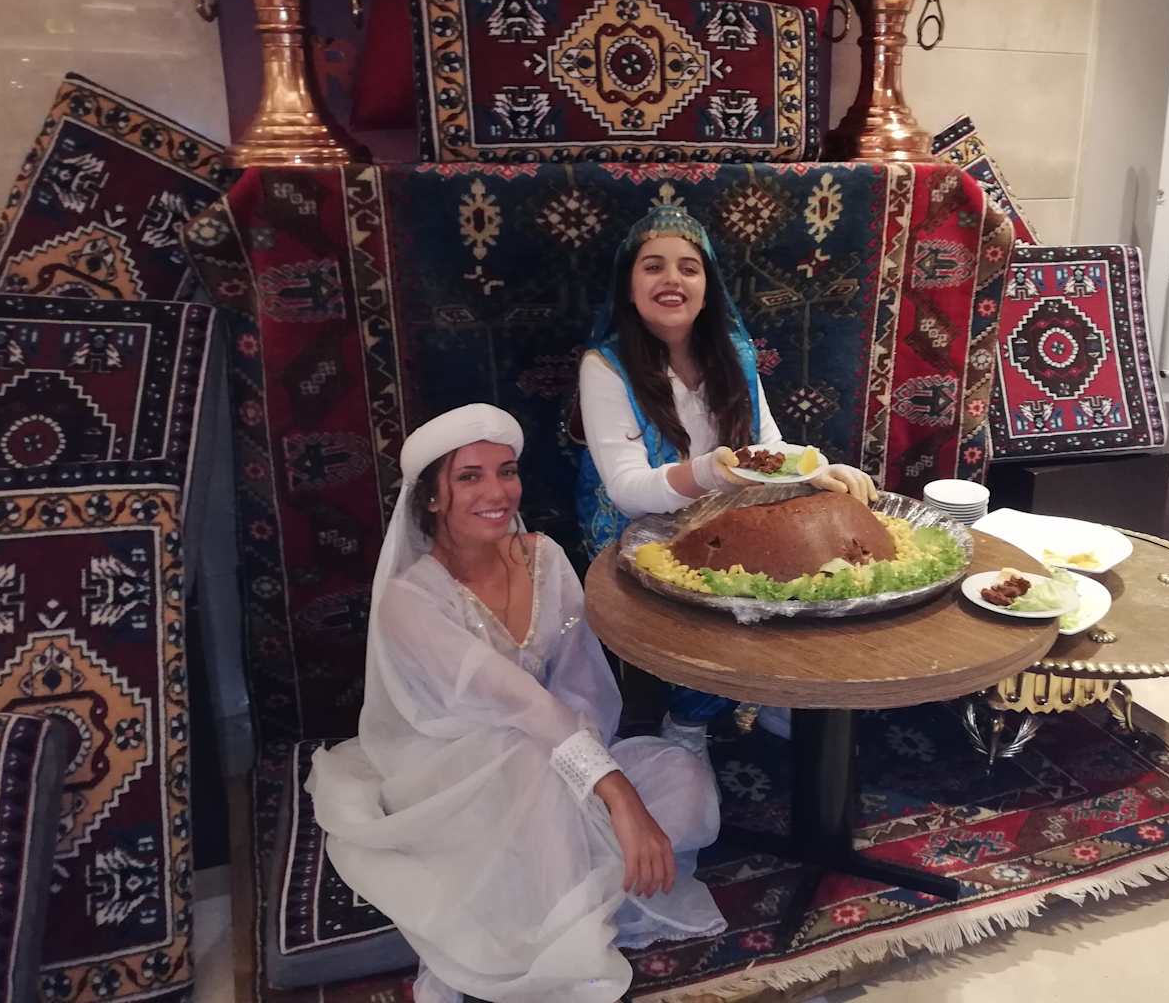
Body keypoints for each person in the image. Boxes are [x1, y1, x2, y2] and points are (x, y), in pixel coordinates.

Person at [307, 404, 725, 1003]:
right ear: (433, 498)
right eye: (469, 477)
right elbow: (523, 705)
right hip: (459, 772)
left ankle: (567, 867)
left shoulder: (544, 557)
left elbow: (582, 686)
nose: (497, 492)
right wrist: (620, 799)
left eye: (506, 471)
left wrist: (589, 777)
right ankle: (561, 923)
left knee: (681, 775)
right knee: (525, 755)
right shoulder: (410, 600)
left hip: (564, 751)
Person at [573, 204, 877, 748]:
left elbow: (768, 447)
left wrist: (820, 468)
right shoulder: (605, 366)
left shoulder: (734, 353)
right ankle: (687, 725)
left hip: (723, 510)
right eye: (653, 266)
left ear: (708, 288)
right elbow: (627, 490)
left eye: (689, 268)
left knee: (805, 562)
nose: (672, 279)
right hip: (633, 528)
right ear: (629, 288)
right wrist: (711, 473)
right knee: (713, 600)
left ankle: (772, 691)